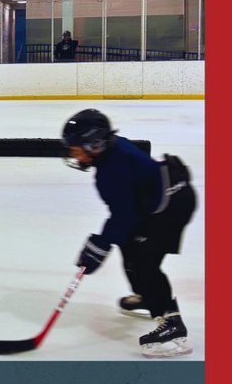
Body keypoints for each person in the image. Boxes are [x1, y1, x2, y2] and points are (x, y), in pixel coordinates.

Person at [64, 109, 196, 357]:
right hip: (159, 202)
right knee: (129, 243)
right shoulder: (112, 155)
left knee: (145, 260)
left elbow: (124, 215)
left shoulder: (111, 170)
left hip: (173, 206)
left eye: (76, 146)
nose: (72, 152)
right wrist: (103, 243)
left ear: (95, 143)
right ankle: (148, 297)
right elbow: (127, 214)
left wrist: (98, 246)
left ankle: (172, 324)